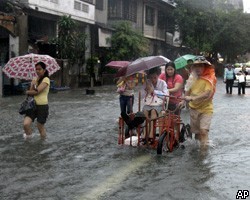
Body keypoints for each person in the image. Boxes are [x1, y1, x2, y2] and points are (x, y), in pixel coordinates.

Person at [179, 56, 217, 148]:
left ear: (205, 67)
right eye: (196, 66)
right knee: (196, 134)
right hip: (194, 108)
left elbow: (207, 93)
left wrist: (192, 98)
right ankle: (198, 154)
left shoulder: (209, 79)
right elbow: (187, 90)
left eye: (200, 66)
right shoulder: (192, 78)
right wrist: (183, 101)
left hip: (206, 109)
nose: (198, 68)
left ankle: (203, 154)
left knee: (203, 131)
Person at [23, 61, 50, 139]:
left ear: (44, 70)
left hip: (42, 106)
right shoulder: (35, 79)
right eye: (36, 69)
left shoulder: (46, 79)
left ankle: (42, 143)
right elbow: (31, 93)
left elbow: (37, 91)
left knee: (40, 126)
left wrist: (28, 91)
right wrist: (32, 84)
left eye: (39, 69)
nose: (37, 71)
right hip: (32, 105)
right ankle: (29, 141)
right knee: (26, 124)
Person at [141, 67, 169, 140]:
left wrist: (154, 91)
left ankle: (151, 134)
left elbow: (166, 96)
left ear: (158, 75)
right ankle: (144, 133)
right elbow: (142, 97)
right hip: (149, 103)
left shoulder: (163, 83)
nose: (153, 80)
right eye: (151, 78)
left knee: (153, 112)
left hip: (159, 104)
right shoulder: (146, 82)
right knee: (145, 112)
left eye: (155, 78)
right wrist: (147, 91)